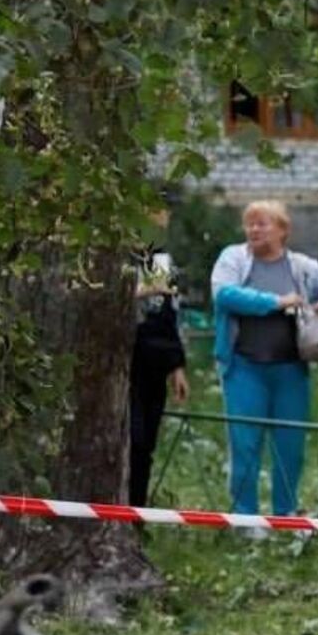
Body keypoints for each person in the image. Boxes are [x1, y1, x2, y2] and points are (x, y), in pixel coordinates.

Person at [208, 200, 318, 531]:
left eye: (262, 224)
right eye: (249, 224)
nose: (253, 230)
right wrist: (275, 302)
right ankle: (246, 519)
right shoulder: (234, 258)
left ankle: (285, 516)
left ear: (283, 230)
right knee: (245, 445)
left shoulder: (299, 266)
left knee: (290, 446)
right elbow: (224, 295)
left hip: (290, 369)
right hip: (243, 367)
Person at [129, 208, 189, 508]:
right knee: (130, 437)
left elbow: (167, 314)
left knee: (145, 444)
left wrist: (176, 364)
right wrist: (142, 290)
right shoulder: (114, 256)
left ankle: (135, 513)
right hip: (124, 360)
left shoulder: (160, 260)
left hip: (154, 361)